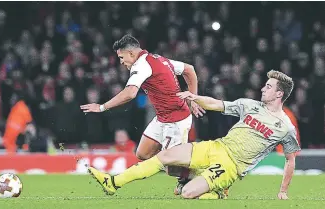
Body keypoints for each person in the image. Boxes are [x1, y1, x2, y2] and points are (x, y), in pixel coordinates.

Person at [88, 70, 301, 200]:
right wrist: (194, 96)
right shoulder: (250, 105)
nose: (263, 88)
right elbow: (217, 104)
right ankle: (113, 183)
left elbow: (290, 160)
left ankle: (217, 191)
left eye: (269, 86)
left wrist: (283, 190)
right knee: (165, 156)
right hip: (216, 147)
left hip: (231, 166)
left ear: (279, 93)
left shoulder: (285, 126)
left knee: (187, 193)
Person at [81, 34, 204, 188]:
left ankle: (208, 174)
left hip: (176, 119)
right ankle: (183, 174)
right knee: (143, 153)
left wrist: (102, 107)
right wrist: (193, 98)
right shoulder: (157, 59)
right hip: (162, 117)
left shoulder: (141, 65)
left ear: (131, 53)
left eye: (121, 57)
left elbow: (130, 93)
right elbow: (189, 70)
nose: (121, 62)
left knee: (171, 169)